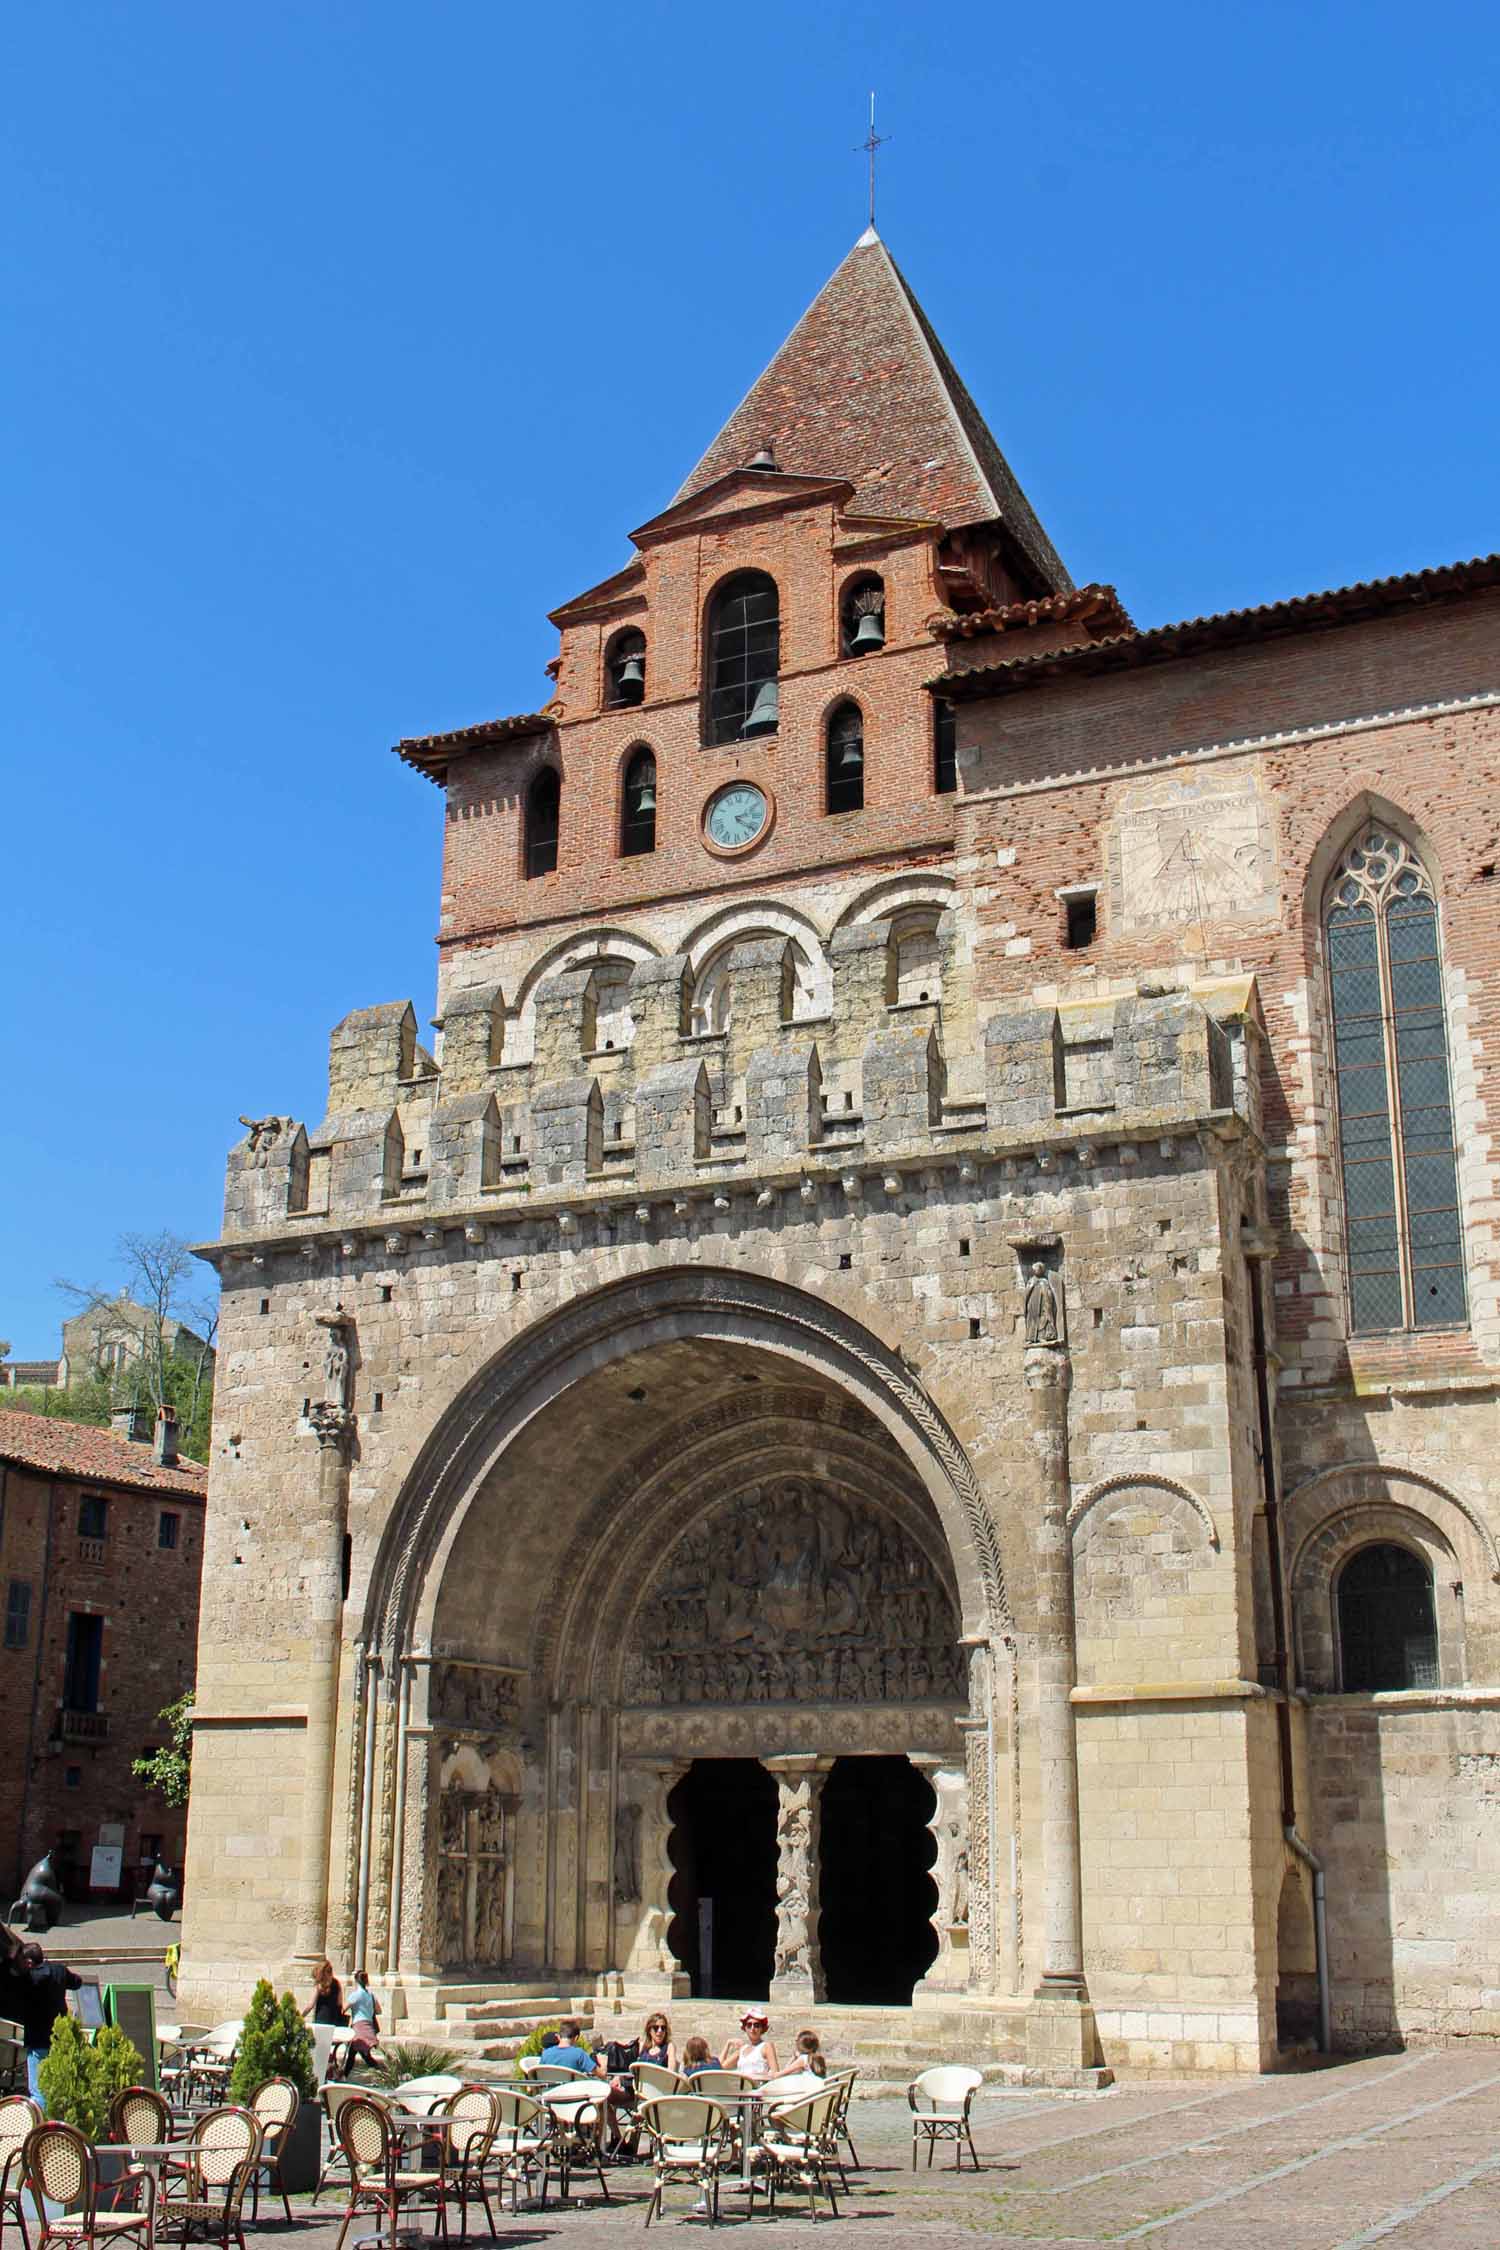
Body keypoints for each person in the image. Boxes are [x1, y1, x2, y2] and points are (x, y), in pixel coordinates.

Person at [18, 1941, 82, 2104]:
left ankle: (41, 2127)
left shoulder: (29, 1978)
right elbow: (77, 1982)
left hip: (38, 2039)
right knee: (56, 2088)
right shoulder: (59, 1971)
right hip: (59, 2038)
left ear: (29, 1962)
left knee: (38, 2091)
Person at [340, 1968, 381, 2071]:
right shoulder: (371, 1996)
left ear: (356, 1981)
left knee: (358, 2054)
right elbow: (379, 2010)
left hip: (358, 2027)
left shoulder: (355, 1995)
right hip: (368, 2027)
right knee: (356, 2053)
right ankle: (344, 2076)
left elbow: (343, 2009)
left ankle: (381, 2072)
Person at [721, 2010, 779, 2080]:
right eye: (749, 2025)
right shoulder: (742, 2050)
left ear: (762, 2028)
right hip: (742, 2088)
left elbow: (775, 2073)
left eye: (756, 2025)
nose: (752, 2028)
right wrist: (728, 2044)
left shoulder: (766, 2046)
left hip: (758, 2087)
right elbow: (720, 2067)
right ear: (745, 2028)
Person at [304, 1958, 347, 2026]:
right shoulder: (337, 1983)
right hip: (334, 2020)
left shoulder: (319, 1986)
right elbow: (339, 2003)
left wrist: (301, 2016)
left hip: (321, 2019)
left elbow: (311, 2005)